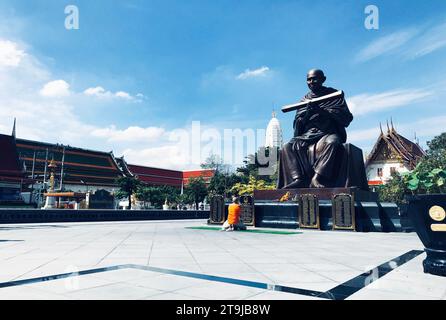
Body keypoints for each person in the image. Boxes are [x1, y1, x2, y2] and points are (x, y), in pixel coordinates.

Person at [278, 69, 354, 189]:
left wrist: (322, 111)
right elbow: (298, 125)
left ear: (323, 79)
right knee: (287, 147)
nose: (311, 81)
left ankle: (317, 177)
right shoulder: (304, 100)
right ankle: (299, 179)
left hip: (327, 132)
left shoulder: (333, 95)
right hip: (308, 135)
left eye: (314, 78)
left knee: (332, 142)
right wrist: (307, 114)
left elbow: (346, 119)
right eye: (309, 79)